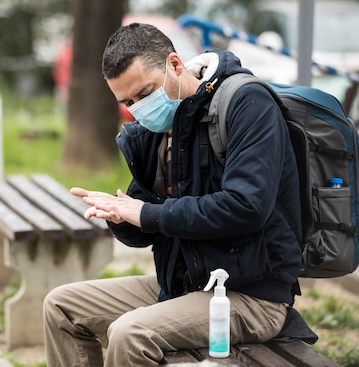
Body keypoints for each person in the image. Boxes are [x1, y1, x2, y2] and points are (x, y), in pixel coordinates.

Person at [43, 23, 304, 366]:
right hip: (183, 285)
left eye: (145, 92)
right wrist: (121, 216)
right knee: (60, 306)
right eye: (127, 102)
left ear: (175, 65)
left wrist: (146, 214)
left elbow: (246, 207)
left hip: (251, 296)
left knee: (129, 334)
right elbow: (147, 224)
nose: (139, 107)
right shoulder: (158, 129)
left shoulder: (246, 104)